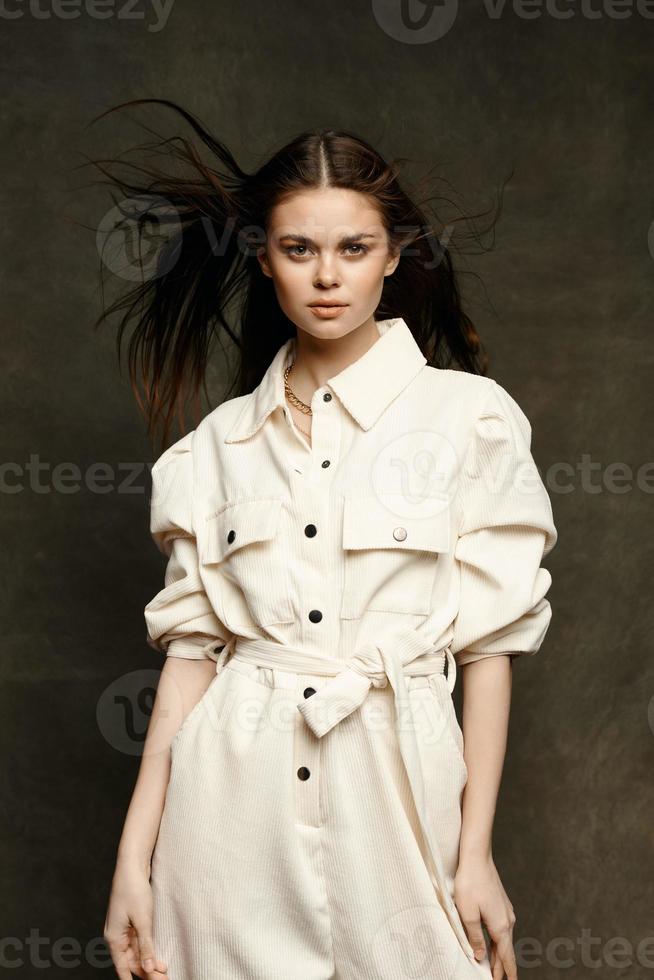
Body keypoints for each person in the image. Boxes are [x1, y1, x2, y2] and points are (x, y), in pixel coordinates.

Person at [96, 99, 557, 980]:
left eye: (353, 248)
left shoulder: (468, 420)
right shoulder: (217, 447)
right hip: (229, 811)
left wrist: (476, 853)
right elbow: (193, 662)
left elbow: (491, 649)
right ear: (263, 260)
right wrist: (134, 861)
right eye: (299, 249)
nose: (327, 277)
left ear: (393, 256)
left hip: (399, 793)